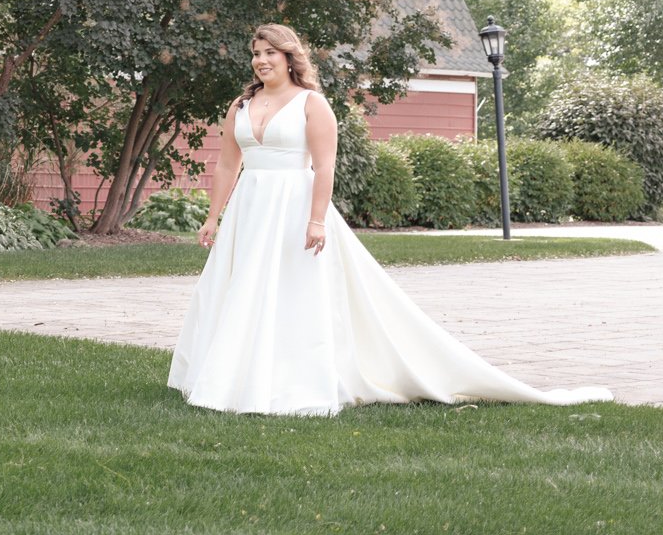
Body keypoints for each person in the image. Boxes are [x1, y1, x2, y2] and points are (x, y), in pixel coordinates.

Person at [168, 22, 611, 416]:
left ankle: (290, 381)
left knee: (291, 291)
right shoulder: (241, 105)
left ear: (290, 58)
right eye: (256, 53)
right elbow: (228, 165)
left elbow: (324, 166)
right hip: (250, 207)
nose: (261, 60)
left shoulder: (311, 103)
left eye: (270, 52)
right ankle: (231, 375)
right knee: (241, 287)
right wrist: (214, 216)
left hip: (294, 205)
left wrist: (317, 220)